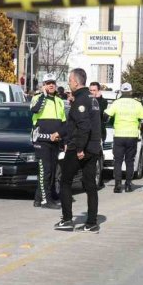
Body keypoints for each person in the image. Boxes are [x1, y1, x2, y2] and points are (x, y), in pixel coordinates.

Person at [55, 68, 101, 233]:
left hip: (79, 148)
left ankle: (67, 220)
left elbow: (84, 127)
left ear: (76, 81)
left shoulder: (80, 101)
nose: (68, 82)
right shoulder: (92, 99)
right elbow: (74, 124)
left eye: (69, 80)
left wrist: (80, 148)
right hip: (94, 147)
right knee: (90, 185)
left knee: (65, 181)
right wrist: (59, 133)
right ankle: (91, 223)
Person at [30, 76, 66, 209]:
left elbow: (63, 122)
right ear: (43, 85)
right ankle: (46, 201)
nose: (51, 85)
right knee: (45, 171)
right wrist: (43, 95)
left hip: (55, 140)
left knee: (51, 171)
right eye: (48, 83)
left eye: (53, 83)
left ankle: (38, 199)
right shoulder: (37, 98)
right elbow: (35, 110)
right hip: (41, 140)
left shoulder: (59, 101)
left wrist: (63, 138)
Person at [103, 82, 143, 193]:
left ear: (122, 92)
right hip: (132, 136)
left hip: (119, 135)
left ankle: (118, 185)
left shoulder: (117, 103)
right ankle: (128, 185)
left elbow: (106, 115)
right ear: (131, 91)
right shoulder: (137, 103)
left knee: (117, 161)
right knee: (129, 161)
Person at [89, 82, 109, 189]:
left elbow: (100, 111)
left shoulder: (103, 101)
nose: (92, 92)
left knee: (98, 156)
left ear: (98, 91)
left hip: (99, 133)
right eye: (90, 90)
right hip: (88, 133)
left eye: (94, 90)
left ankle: (99, 180)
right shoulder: (87, 100)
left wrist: (97, 98)